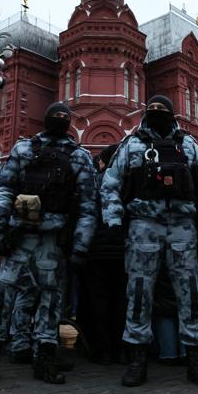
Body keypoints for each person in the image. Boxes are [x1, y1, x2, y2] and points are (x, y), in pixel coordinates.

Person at [0, 102, 96, 386]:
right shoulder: (47, 153)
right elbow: (4, 190)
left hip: (45, 240)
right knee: (12, 299)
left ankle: (41, 360)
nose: (61, 121)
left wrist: (79, 246)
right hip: (25, 239)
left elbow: (87, 206)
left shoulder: (45, 152)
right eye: (58, 116)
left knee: (36, 301)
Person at [101, 95, 198, 388]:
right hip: (143, 226)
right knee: (139, 293)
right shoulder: (131, 145)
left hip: (183, 227)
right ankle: (137, 360)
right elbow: (110, 185)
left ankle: (196, 360)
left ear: (172, 114)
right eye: (151, 109)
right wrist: (114, 221)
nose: (156, 114)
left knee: (190, 294)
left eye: (162, 110)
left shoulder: (189, 146)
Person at [80, 144, 126, 365]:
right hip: (122, 250)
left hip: (95, 251)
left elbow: (84, 213)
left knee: (97, 300)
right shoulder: (126, 181)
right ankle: (120, 348)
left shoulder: (94, 182)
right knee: (121, 298)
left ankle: (100, 349)